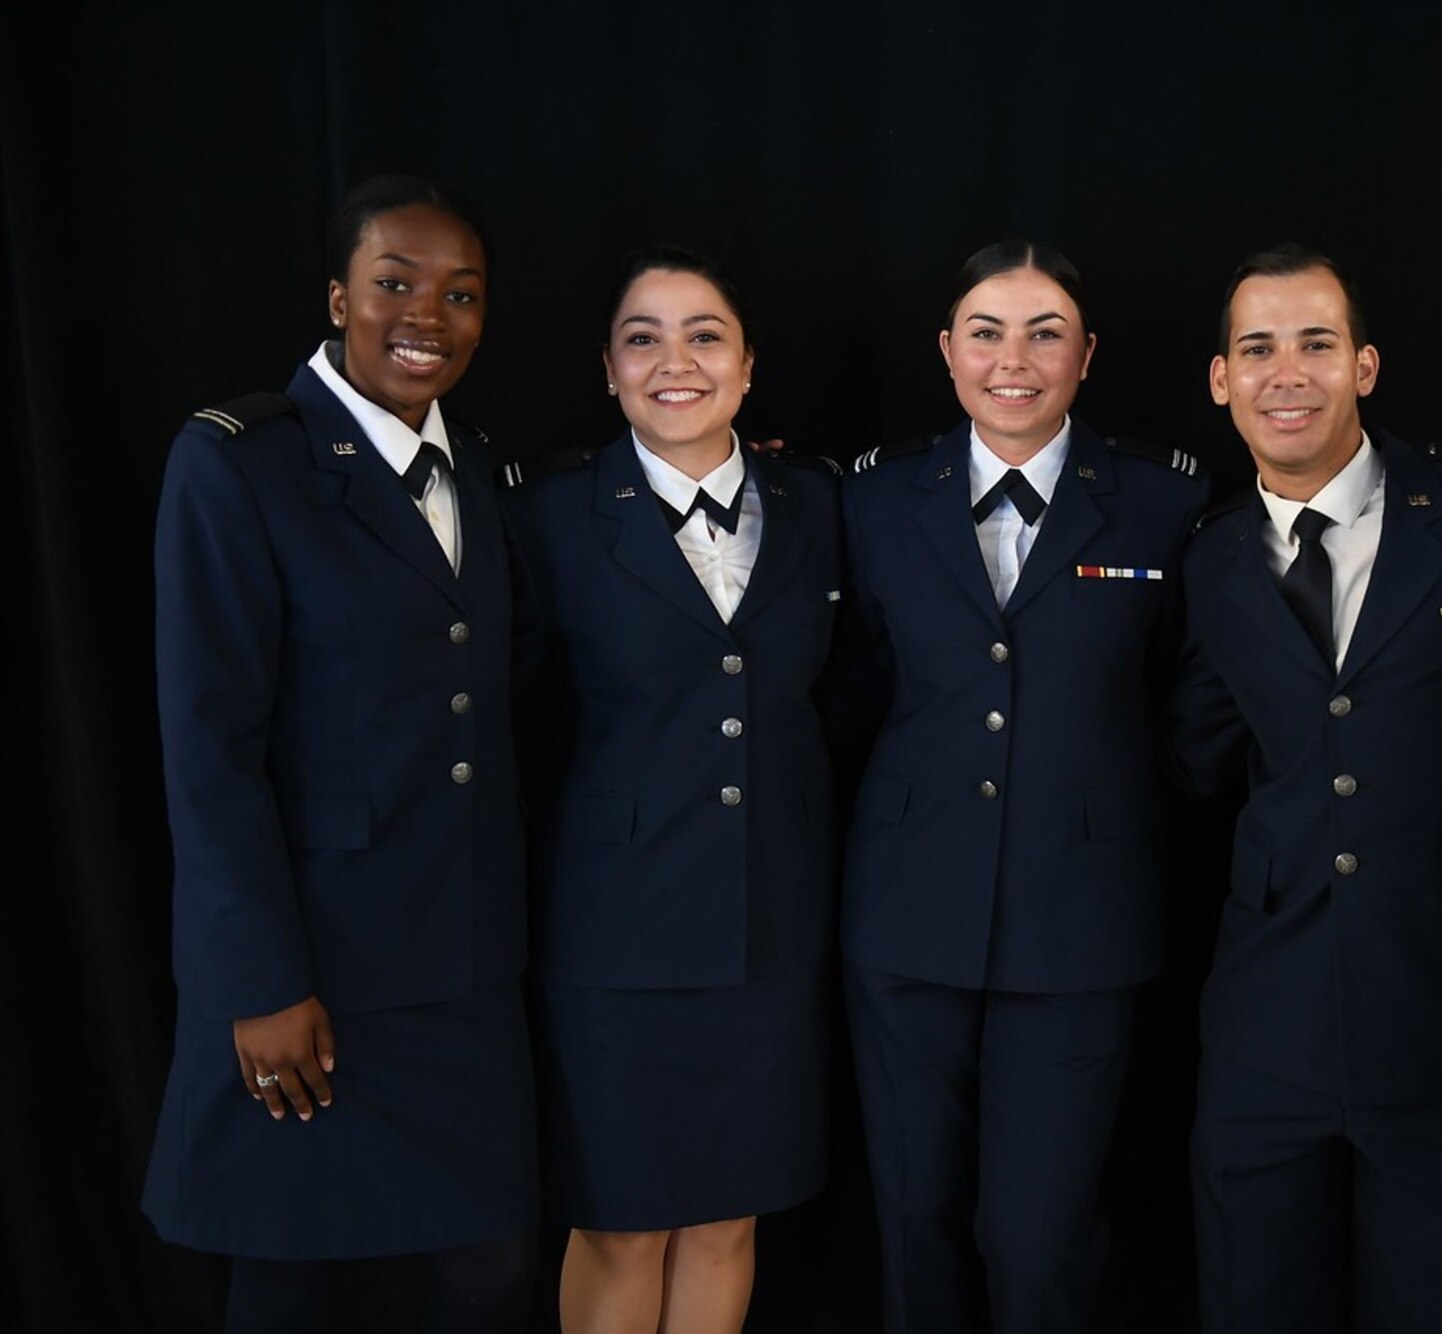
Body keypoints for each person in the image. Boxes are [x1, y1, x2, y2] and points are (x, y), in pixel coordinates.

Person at [143, 174, 537, 1332]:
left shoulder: (482, 467)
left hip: (463, 964)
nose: (428, 314)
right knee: (290, 1280)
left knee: (489, 1275)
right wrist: (258, 978)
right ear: (336, 297)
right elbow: (208, 749)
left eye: (460, 293)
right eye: (394, 283)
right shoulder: (240, 463)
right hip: (318, 966)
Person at [1170, 243, 1442, 1332]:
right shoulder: (1206, 557)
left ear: (1365, 366)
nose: (1283, 373)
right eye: (1255, 348)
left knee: (1427, 1299)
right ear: (1219, 378)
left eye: (1314, 344)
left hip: (1435, 1008)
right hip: (1263, 1018)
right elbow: (1198, 758)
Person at [836, 239, 1209, 1333]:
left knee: (1040, 1236)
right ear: (946, 350)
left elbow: (1192, 699)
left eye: (1045, 332)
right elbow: (847, 690)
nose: (1015, 358)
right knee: (915, 1217)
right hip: (903, 917)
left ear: (1086, 355)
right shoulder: (868, 497)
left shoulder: (1158, 501)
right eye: (987, 331)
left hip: (1079, 919)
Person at [505, 246, 841, 1334]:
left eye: (703, 334)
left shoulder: (819, 502)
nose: (674, 360)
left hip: (770, 928)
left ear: (746, 363)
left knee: (726, 1218)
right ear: (608, 370)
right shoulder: (547, 515)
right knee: (621, 1221)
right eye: (641, 337)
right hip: (615, 937)